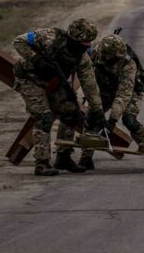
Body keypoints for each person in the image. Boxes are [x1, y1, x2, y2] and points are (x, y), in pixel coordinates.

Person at [12, 19, 106, 176]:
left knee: (71, 112)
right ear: (74, 39)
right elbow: (18, 41)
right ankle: (42, 163)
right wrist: (36, 59)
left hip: (55, 80)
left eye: (89, 43)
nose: (87, 46)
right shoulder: (49, 37)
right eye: (84, 43)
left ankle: (64, 157)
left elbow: (90, 85)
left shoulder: (81, 58)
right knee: (44, 116)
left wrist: (98, 110)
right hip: (30, 79)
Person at [78, 34, 144, 171]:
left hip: (131, 90)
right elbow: (86, 76)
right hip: (106, 88)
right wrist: (97, 109)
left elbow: (123, 94)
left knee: (129, 120)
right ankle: (86, 157)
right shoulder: (96, 53)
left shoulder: (128, 62)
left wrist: (112, 121)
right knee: (92, 117)